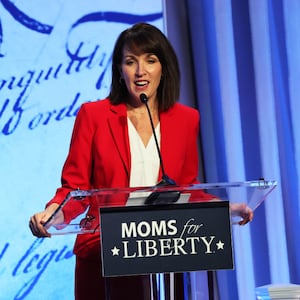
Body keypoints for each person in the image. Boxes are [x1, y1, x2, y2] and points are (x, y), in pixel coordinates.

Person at [29, 22, 253, 299]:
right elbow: (75, 190)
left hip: (163, 251)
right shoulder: (94, 116)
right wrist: (52, 213)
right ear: (120, 71)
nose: (140, 71)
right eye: (130, 61)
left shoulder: (185, 120)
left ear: (163, 67)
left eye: (150, 60)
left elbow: (184, 189)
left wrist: (225, 209)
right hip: (103, 253)